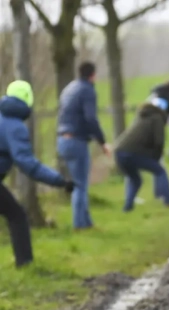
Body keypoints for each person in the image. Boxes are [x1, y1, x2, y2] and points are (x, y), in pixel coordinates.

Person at [0, 81, 74, 267]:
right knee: (17, 215)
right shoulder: (15, 126)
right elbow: (28, 164)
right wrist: (60, 181)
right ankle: (25, 264)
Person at [57, 61, 110, 230]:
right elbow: (91, 119)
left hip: (62, 140)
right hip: (77, 141)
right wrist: (102, 142)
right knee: (80, 185)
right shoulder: (87, 90)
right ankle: (79, 224)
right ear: (92, 75)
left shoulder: (69, 89)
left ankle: (86, 221)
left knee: (79, 183)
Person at [114, 97, 169, 212]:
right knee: (160, 172)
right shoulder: (157, 118)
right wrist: (156, 157)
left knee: (135, 179)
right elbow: (159, 141)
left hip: (119, 152)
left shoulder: (141, 116)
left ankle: (127, 207)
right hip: (133, 152)